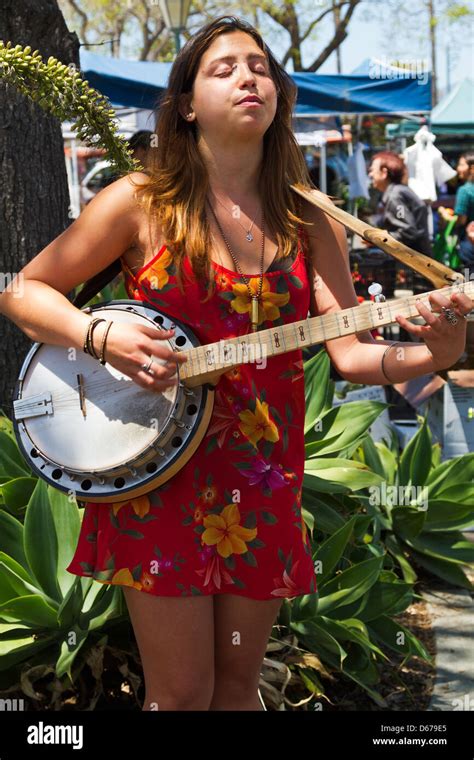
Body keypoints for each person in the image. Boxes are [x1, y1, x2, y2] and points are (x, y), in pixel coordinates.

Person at [0, 15, 471, 712]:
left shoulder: (307, 218)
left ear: (278, 94)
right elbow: (24, 291)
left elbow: (349, 353)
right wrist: (99, 336)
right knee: (183, 694)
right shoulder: (141, 201)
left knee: (238, 687)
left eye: (259, 67)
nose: (248, 77)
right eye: (223, 69)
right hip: (156, 476)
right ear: (187, 104)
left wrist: (440, 348)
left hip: (261, 480)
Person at [368, 151, 432, 257]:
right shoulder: (398, 191)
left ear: (384, 173)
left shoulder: (395, 196)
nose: (370, 174)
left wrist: (379, 238)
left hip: (417, 262)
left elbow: (408, 231)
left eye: (372, 170)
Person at [439, 152, 474, 266]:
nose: (458, 168)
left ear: (472, 168)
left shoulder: (465, 191)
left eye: (461, 165)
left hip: (469, 243)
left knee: (470, 278)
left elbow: (461, 220)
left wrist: (445, 214)